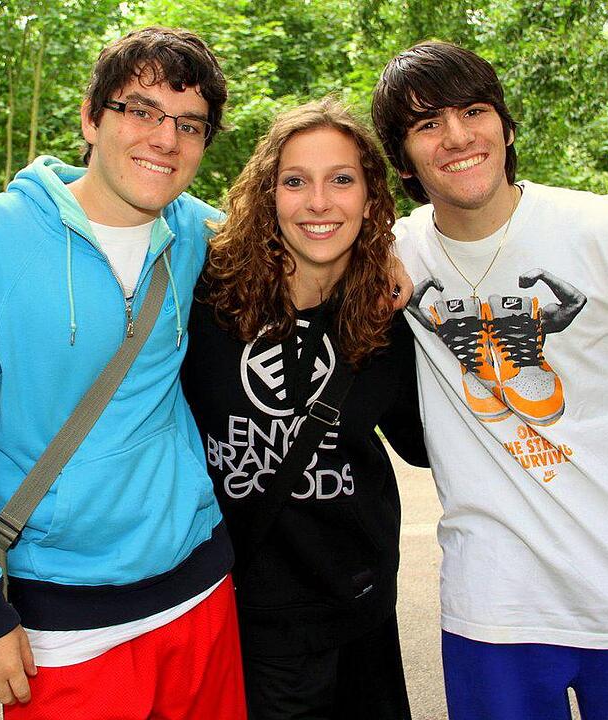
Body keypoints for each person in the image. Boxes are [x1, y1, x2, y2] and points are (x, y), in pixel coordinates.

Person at [372, 41, 608, 720]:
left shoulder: (602, 228)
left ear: (506, 127)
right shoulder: (393, 252)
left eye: (473, 111)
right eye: (426, 124)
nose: (457, 136)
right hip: (494, 610)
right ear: (402, 157)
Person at [0, 27, 248, 719]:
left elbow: (306, 239)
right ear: (91, 116)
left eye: (188, 124)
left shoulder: (201, 234)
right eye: (140, 111)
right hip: (58, 627)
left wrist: (388, 259)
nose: (164, 139)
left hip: (199, 593)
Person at [180, 99, 428, 720]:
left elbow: (424, 443)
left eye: (341, 179)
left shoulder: (383, 316)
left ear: (370, 199)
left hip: (361, 607)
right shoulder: (201, 299)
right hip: (248, 617)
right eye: (296, 181)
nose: (319, 202)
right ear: (268, 195)